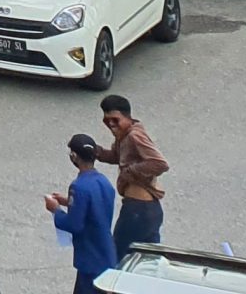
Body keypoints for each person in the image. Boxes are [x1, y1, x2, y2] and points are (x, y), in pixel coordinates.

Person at [46, 133, 118, 294]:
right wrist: (67, 201)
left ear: (74, 156)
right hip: (106, 253)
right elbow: (96, 207)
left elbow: (74, 224)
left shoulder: (78, 187)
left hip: (89, 258)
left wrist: (56, 209)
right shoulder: (103, 181)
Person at [94, 93, 168, 249]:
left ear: (127, 117)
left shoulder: (134, 136)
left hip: (138, 210)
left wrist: (130, 171)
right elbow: (118, 157)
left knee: (119, 255)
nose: (111, 124)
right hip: (147, 210)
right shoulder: (123, 136)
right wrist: (98, 152)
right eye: (107, 120)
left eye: (115, 120)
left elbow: (159, 163)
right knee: (149, 261)